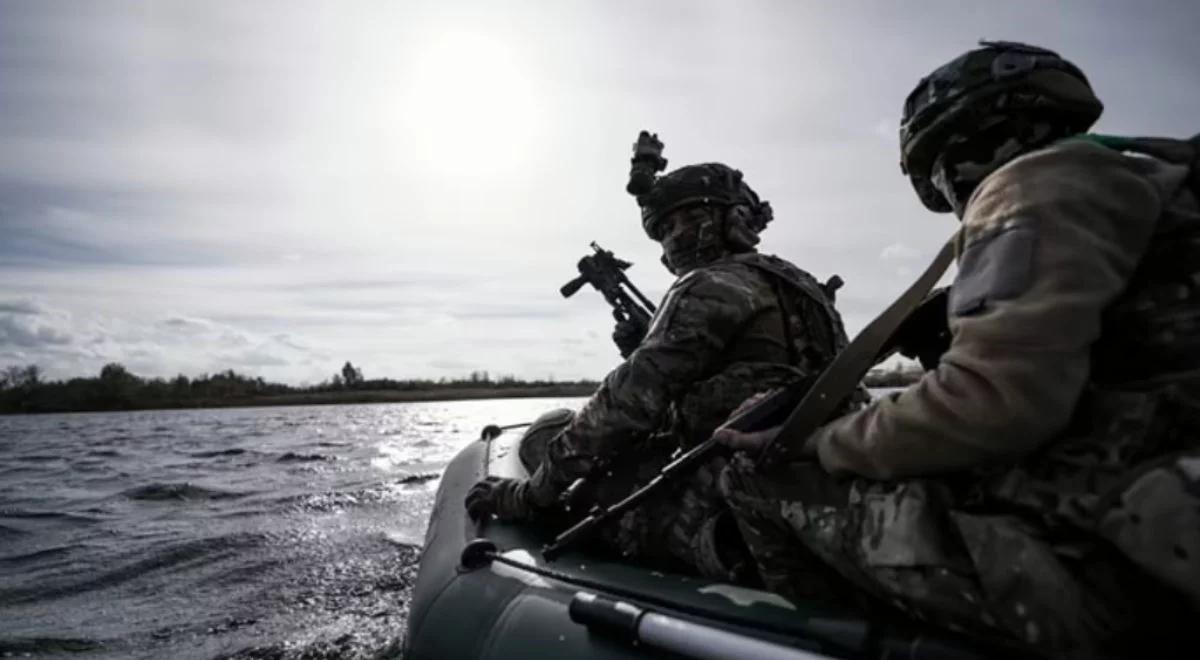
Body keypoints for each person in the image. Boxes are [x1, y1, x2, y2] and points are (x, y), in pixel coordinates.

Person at [716, 41, 1200, 658]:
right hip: (1159, 516)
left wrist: (814, 439)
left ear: (954, 153)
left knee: (757, 479)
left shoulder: (1036, 180)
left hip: (1121, 574)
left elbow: (992, 403)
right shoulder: (1154, 179)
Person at [466, 157, 853, 580]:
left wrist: (530, 495)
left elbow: (622, 407)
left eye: (689, 217)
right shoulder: (804, 287)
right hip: (806, 471)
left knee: (551, 450)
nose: (676, 236)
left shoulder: (708, 285)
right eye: (665, 228)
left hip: (728, 489)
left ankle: (718, 550)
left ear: (733, 219)